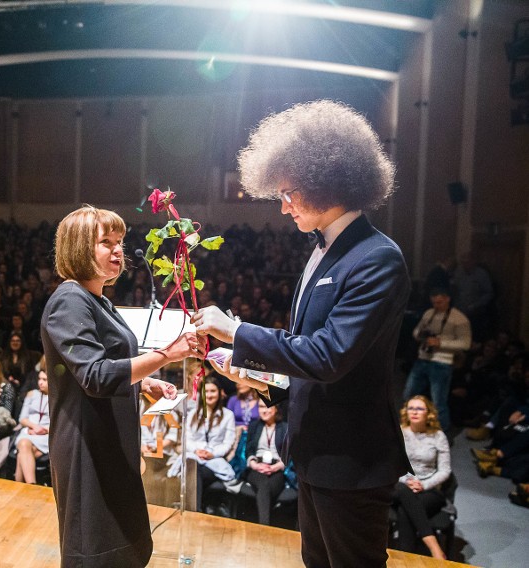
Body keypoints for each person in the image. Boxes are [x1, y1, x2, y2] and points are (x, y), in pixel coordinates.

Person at [192, 100, 412, 567]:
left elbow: (330, 356)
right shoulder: (323, 250)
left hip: (352, 459)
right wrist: (263, 384)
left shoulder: (377, 258)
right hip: (315, 452)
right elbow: (307, 362)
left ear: (327, 180)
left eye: (289, 191)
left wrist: (236, 331)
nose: (284, 205)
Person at [41, 205, 202, 568]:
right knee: (97, 554)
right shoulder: (69, 301)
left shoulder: (98, 301)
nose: (118, 250)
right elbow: (95, 376)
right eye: (106, 242)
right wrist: (166, 354)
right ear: (80, 248)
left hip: (111, 444)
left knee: (125, 549)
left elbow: (103, 364)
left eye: (120, 242)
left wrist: (144, 383)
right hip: (88, 449)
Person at [403, 288, 472, 432]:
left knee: (438, 402)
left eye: (439, 302)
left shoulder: (459, 318)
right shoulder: (429, 313)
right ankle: (411, 427)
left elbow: (466, 344)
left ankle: (442, 434)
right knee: (409, 394)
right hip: (423, 357)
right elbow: (415, 332)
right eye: (434, 302)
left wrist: (440, 343)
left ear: (448, 299)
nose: (436, 305)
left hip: (442, 362)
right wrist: (421, 335)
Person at [395, 396, 450, 560]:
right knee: (403, 491)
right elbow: (390, 463)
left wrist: (423, 485)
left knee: (405, 509)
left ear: (429, 413)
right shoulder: (399, 432)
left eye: (419, 408)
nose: (414, 412)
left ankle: (403, 558)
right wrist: (406, 481)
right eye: (411, 408)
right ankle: (435, 549)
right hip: (399, 485)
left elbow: (445, 471)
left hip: (428, 489)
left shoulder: (438, 436)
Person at [184, 375, 237, 515]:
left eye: (213, 391)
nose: (209, 395)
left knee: (197, 472)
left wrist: (212, 453)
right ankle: (196, 509)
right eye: (206, 391)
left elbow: (228, 443)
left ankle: (194, 511)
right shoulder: (192, 414)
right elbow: (187, 439)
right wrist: (197, 450)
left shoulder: (228, 415)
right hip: (194, 457)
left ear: (220, 393)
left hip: (214, 461)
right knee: (193, 466)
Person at [14, 364, 50, 484]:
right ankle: (32, 485)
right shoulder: (31, 394)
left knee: (22, 455)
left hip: (46, 435)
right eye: (39, 379)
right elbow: (22, 418)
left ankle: (21, 488)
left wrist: (43, 430)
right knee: (24, 443)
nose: (40, 382)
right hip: (29, 431)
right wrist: (35, 427)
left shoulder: (57, 399)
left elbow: (58, 424)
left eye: (44, 380)